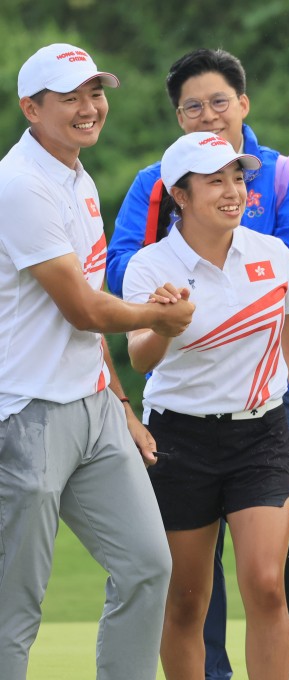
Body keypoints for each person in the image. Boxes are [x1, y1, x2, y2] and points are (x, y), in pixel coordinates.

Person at [107, 48, 289, 680]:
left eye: (237, 178)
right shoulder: (150, 267)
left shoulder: (271, 254)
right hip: (181, 438)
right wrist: (163, 323)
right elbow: (141, 358)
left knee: (268, 584)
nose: (233, 192)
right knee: (186, 600)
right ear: (179, 195)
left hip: (261, 432)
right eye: (215, 181)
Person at [0, 42, 194, 680]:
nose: (89, 108)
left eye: (95, 93)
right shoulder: (21, 186)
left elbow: (85, 318)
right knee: (14, 606)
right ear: (31, 109)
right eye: (70, 98)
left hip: (93, 406)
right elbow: (84, 309)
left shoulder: (76, 176)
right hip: (25, 413)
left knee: (147, 566)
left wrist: (120, 402)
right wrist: (154, 317)